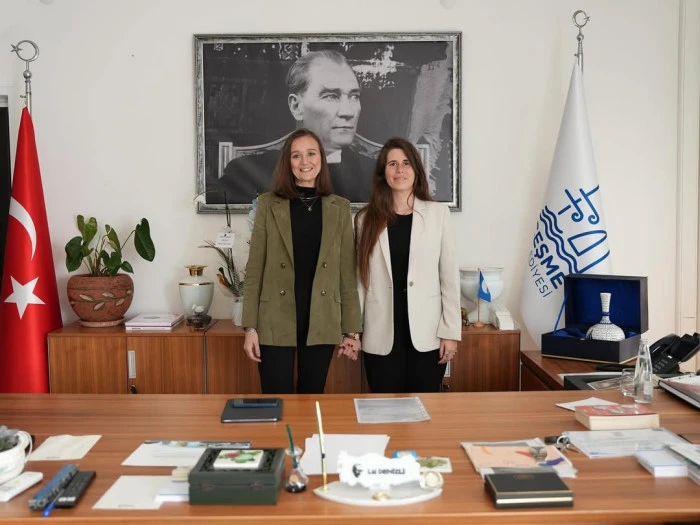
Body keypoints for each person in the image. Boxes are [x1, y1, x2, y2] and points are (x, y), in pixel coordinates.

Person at [241, 128, 362, 394]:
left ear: (322, 158)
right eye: (296, 155)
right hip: (273, 319)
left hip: (322, 319)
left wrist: (352, 331)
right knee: (276, 399)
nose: (304, 161)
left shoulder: (340, 207)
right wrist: (250, 327)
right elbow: (254, 271)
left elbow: (346, 275)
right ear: (287, 162)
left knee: (311, 399)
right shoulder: (267, 204)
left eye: (311, 153)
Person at [353, 137, 461, 393]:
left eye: (406, 163)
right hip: (380, 333)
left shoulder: (437, 214)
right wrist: (353, 332)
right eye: (392, 164)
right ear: (383, 173)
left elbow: (449, 277)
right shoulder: (365, 219)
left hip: (427, 335)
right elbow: (360, 280)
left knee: (424, 408)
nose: (399, 169)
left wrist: (450, 332)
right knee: (384, 408)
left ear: (416, 170)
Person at [218, 50, 375, 204]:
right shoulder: (247, 174)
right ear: (296, 106)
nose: (348, 112)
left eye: (354, 96)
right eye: (331, 96)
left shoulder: (376, 175)